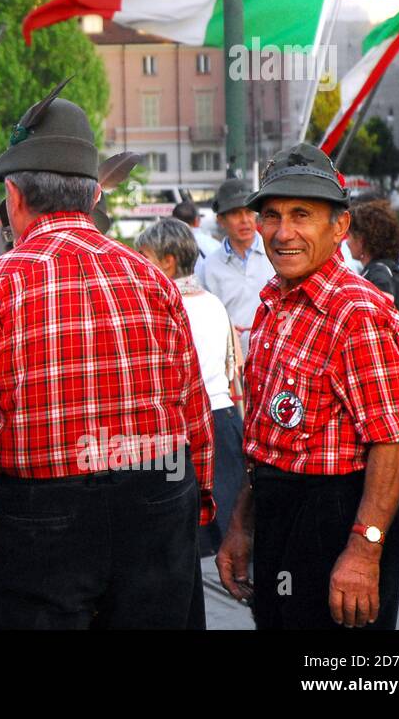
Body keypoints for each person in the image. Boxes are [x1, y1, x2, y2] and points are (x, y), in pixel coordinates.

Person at [0, 87, 214, 629]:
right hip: (156, 499)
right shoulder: (153, 279)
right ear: (94, 195)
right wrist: (193, 508)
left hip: (42, 516)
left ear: (14, 196)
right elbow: (193, 413)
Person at [216, 144, 399, 630]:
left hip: (339, 520)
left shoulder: (357, 313)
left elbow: (393, 441)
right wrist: (242, 524)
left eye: (302, 215)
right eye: (271, 216)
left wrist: (364, 551)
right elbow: (267, 439)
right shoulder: (272, 305)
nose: (283, 233)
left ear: (340, 228)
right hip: (279, 510)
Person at [137, 217, 244, 556]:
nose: (140, 264)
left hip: (189, 427)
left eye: (145, 256)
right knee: (227, 536)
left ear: (168, 262)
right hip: (224, 422)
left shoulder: (166, 307)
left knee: (182, 543)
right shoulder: (212, 302)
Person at [196, 177, 276, 354]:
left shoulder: (276, 255)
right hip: (231, 357)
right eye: (235, 213)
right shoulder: (209, 266)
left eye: (249, 212)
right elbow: (205, 315)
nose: (245, 220)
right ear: (221, 220)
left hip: (273, 354)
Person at [346, 200, 399, 322]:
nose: (347, 242)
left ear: (362, 239)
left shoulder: (378, 273)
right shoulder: (385, 268)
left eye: (350, 235)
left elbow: (380, 316)